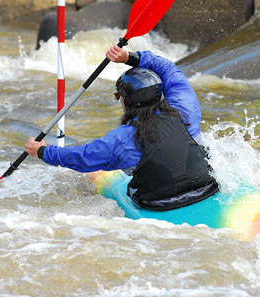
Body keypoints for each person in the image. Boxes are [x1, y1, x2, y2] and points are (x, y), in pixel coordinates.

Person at [25, 45, 219, 211]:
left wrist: (41, 151)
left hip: (159, 203)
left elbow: (81, 158)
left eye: (119, 97)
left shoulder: (124, 138)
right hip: (207, 188)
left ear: (126, 101)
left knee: (94, 171)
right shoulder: (185, 107)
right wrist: (130, 57)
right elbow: (169, 69)